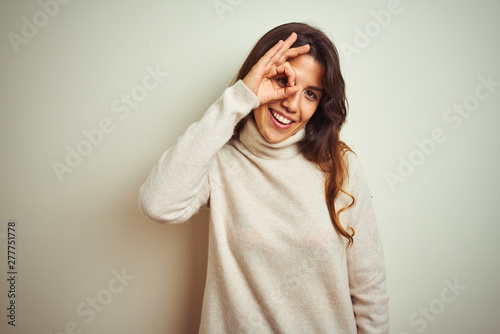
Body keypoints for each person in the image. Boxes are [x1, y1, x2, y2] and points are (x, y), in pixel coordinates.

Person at [139, 22, 389, 333]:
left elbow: (369, 289)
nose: (291, 103)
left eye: (310, 94)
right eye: (284, 80)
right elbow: (157, 204)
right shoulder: (218, 161)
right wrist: (240, 98)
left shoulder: (339, 165)